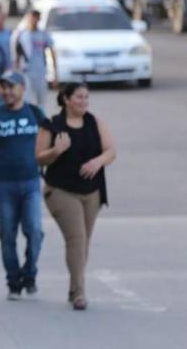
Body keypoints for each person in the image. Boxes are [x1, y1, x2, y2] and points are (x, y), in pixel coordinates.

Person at [36, 83, 116, 310]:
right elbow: (39, 158)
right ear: (67, 99)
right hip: (61, 190)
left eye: (86, 97)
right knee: (77, 238)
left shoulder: (93, 122)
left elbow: (111, 150)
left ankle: (74, 289)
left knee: (83, 243)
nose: (84, 101)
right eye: (79, 97)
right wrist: (56, 151)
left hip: (91, 192)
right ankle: (80, 293)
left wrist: (97, 161)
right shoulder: (52, 124)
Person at [0, 72, 47, 300]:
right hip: (3, 186)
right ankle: (13, 281)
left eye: (11, 87)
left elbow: (51, 143)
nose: (7, 92)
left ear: (22, 88)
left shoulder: (35, 113)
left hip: (31, 182)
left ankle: (30, 273)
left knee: (34, 230)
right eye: (3, 88)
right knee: (7, 234)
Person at [12, 9, 56, 108]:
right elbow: (17, 54)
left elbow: (52, 51)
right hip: (26, 71)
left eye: (36, 18)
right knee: (27, 99)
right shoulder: (22, 34)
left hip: (40, 71)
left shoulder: (43, 34)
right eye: (31, 18)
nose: (33, 21)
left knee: (41, 100)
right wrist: (16, 72)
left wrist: (54, 74)